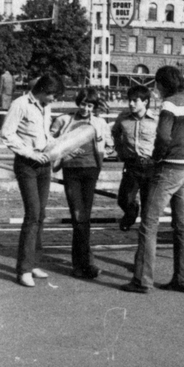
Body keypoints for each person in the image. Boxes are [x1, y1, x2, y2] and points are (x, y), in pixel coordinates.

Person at [124, 66, 184, 294]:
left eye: (156, 84)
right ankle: (183, 279)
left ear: (162, 84)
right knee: (182, 225)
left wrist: (158, 158)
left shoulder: (169, 104)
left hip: (169, 167)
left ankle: (142, 280)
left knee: (149, 222)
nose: (155, 89)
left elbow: (162, 136)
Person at [2, 74, 59, 287]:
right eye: (53, 94)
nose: (55, 99)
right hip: (27, 165)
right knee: (33, 214)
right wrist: (30, 154)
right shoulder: (20, 104)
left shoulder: (45, 106)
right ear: (43, 90)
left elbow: (44, 136)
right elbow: (7, 134)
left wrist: (61, 147)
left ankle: (34, 263)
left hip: (45, 164)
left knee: (41, 214)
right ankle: (23, 269)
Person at [53, 87, 109, 280]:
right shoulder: (64, 120)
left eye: (90, 105)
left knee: (84, 218)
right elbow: (51, 146)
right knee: (78, 217)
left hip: (91, 170)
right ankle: (84, 264)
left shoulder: (100, 123)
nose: (86, 108)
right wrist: (67, 152)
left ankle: (83, 264)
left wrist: (107, 152)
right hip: (72, 172)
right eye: (84, 104)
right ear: (78, 102)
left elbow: (108, 145)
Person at [112, 83, 156, 232]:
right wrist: (119, 150)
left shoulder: (156, 119)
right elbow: (115, 133)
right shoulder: (123, 118)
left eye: (135, 100)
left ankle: (146, 236)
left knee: (149, 206)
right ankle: (131, 212)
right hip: (131, 165)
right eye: (129, 100)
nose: (130, 103)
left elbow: (164, 138)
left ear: (145, 102)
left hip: (151, 166)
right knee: (124, 199)